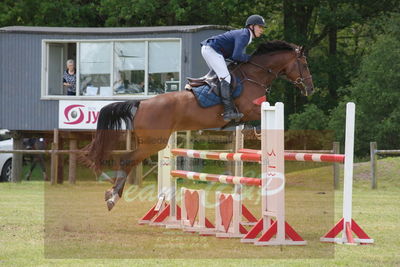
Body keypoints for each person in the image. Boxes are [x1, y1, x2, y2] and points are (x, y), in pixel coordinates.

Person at [200, 15, 265, 122]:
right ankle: (228, 112)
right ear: (252, 26)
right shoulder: (245, 35)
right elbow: (236, 56)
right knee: (226, 78)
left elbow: (234, 55)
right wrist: (252, 58)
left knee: (219, 78)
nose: (262, 30)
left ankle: (215, 106)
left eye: (263, 28)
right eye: (260, 27)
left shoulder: (245, 35)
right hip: (212, 50)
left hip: (210, 49)